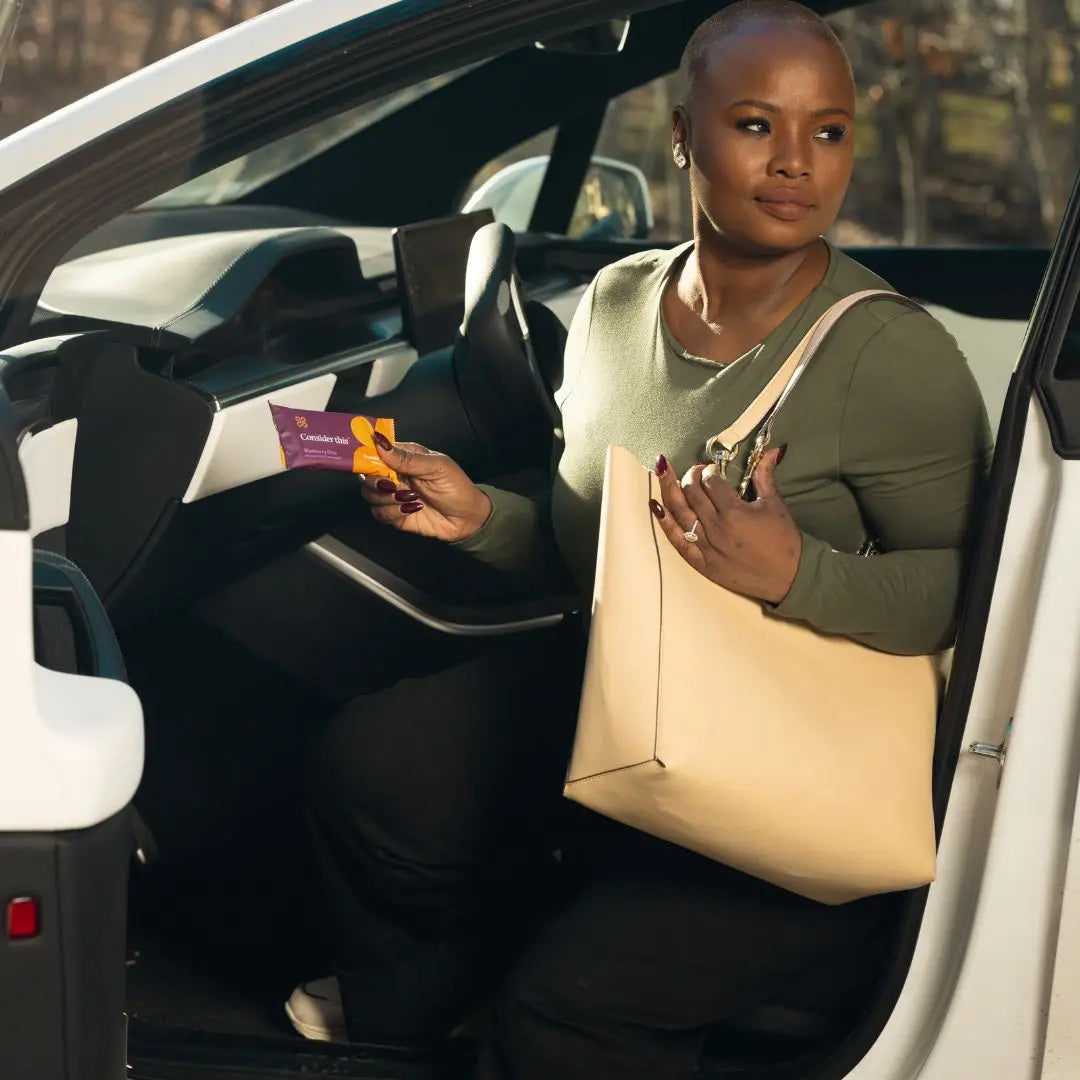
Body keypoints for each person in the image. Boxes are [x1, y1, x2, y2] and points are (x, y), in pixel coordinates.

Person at [287, 2, 993, 1076]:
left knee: (565, 1022)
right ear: (681, 134)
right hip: (634, 695)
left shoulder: (893, 356)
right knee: (373, 770)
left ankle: (529, 1013)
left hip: (795, 762)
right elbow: (599, 549)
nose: (799, 161)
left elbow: (972, 600)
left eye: (830, 130)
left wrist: (797, 572)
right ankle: (416, 1012)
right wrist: (481, 521)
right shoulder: (618, 305)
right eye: (757, 124)